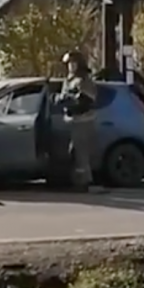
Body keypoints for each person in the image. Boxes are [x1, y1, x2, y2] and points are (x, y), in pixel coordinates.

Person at [58, 50, 101, 192]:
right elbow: (62, 98)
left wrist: (72, 100)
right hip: (72, 120)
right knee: (74, 153)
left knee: (81, 154)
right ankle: (76, 180)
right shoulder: (69, 80)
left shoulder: (84, 80)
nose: (70, 66)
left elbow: (85, 101)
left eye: (72, 63)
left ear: (79, 64)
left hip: (83, 121)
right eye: (68, 64)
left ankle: (84, 182)